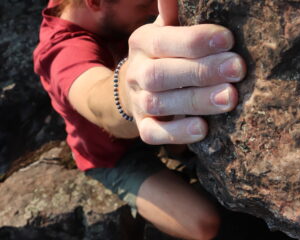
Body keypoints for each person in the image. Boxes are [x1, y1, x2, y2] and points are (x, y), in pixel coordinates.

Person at [33, 0, 246, 239]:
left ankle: (179, 152)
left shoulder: (88, 9)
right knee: (202, 224)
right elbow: (95, 100)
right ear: (94, 3)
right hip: (112, 155)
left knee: (184, 129)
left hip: (151, 123)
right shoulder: (61, 52)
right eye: (144, 5)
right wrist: (128, 95)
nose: (154, 10)